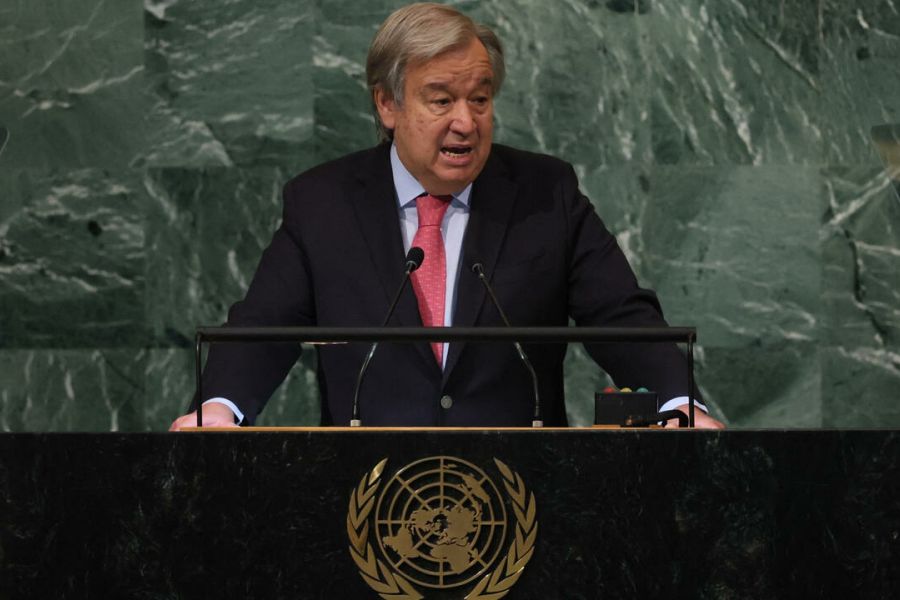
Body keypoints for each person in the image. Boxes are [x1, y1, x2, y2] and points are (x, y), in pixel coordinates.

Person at [170, 3, 724, 431]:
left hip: (521, 500)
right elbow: (263, 329)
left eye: (479, 100)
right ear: (388, 104)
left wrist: (680, 404)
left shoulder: (544, 194)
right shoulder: (323, 203)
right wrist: (218, 409)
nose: (466, 122)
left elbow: (621, 318)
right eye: (441, 100)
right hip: (367, 500)